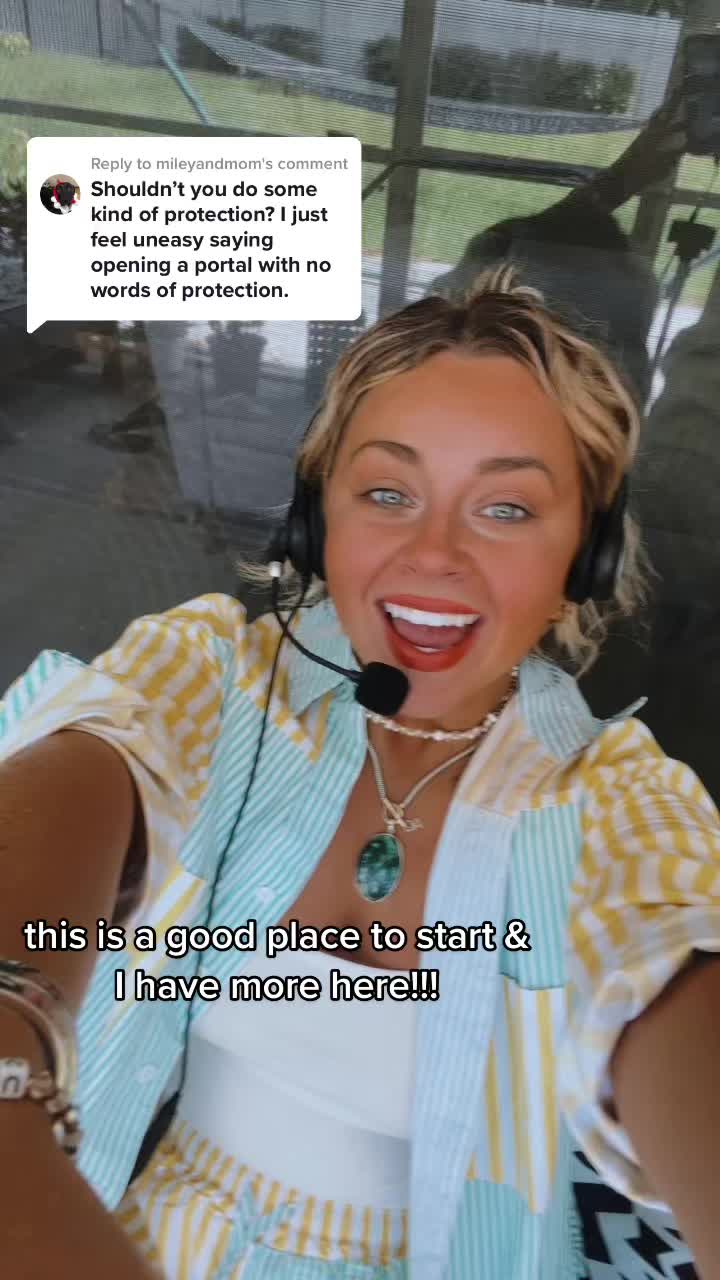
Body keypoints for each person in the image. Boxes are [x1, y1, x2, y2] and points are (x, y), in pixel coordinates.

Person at [2, 268, 720, 1280]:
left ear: (583, 561)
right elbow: (91, 762)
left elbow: (668, 944)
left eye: (506, 508)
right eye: (388, 494)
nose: (435, 554)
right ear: (316, 523)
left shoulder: (613, 799)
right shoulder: (217, 675)